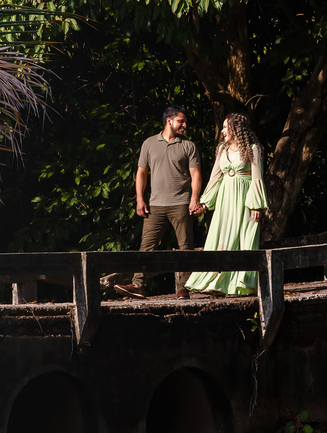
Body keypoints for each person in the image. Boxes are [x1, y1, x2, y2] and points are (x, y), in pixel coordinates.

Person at [110, 105, 205, 300]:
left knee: (185, 247)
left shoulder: (188, 146)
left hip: (181, 203)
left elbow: (196, 175)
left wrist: (194, 198)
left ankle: (184, 288)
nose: (185, 125)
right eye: (181, 121)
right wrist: (139, 199)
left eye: (185, 122)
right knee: (146, 246)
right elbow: (141, 173)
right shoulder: (149, 143)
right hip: (155, 205)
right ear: (169, 121)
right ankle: (138, 285)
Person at [185, 113, 267, 296]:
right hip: (225, 198)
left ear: (235, 129)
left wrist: (256, 204)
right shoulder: (222, 149)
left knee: (243, 238)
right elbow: (215, 177)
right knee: (222, 236)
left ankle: (238, 283)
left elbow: (257, 177)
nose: (222, 131)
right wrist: (204, 204)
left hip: (245, 199)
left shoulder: (252, 149)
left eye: (225, 127)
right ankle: (216, 280)